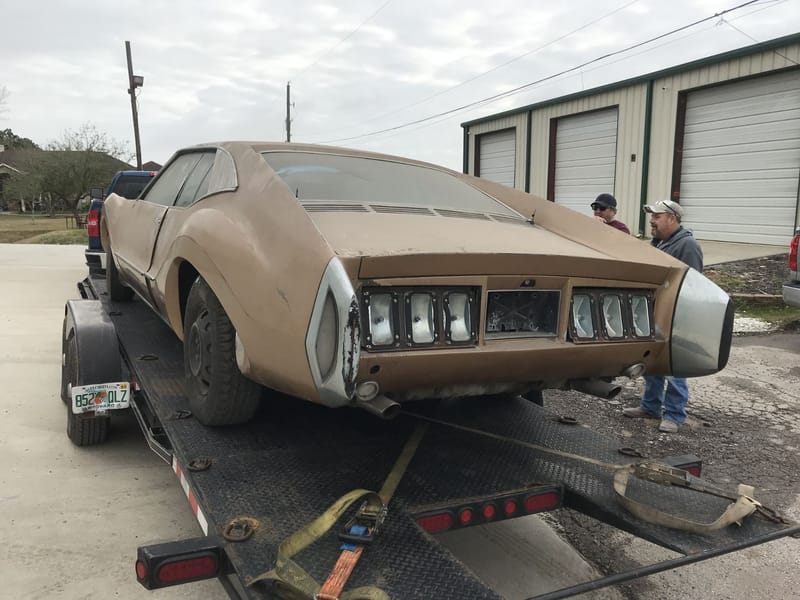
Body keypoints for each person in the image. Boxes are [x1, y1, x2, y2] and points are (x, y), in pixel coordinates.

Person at [622, 199, 703, 433]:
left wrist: (682, 317)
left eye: (657, 216)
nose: (652, 221)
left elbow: (693, 284)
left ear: (672, 218)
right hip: (653, 312)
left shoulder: (687, 245)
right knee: (654, 362)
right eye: (652, 216)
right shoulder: (657, 244)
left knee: (674, 367)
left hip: (676, 315)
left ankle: (675, 415)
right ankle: (650, 407)